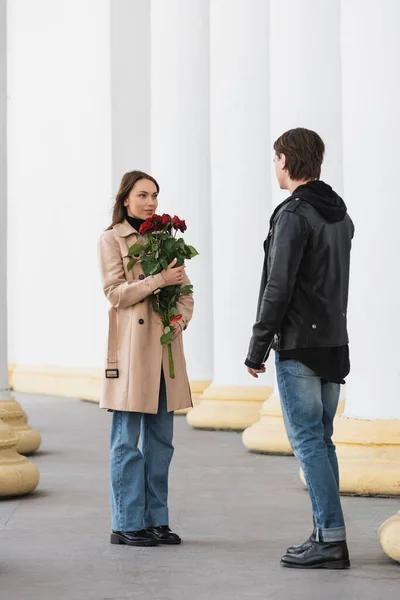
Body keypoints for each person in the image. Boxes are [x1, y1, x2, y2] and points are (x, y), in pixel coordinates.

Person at [245, 128, 354, 569]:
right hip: (333, 343)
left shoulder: (293, 214)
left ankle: (329, 539)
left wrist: (258, 347)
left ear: (286, 161)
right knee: (321, 443)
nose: (274, 167)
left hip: (301, 346)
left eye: (275, 159)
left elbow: (279, 286)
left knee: (309, 443)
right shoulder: (340, 215)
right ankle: (327, 532)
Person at [98, 170, 194, 547]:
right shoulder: (112, 239)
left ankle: (157, 520)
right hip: (132, 352)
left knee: (161, 443)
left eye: (155, 195)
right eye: (143, 195)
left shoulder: (164, 239)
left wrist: (179, 320)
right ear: (125, 199)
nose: (151, 202)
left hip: (165, 349)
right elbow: (114, 293)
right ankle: (125, 522)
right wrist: (157, 282)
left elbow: (185, 291)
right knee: (126, 441)